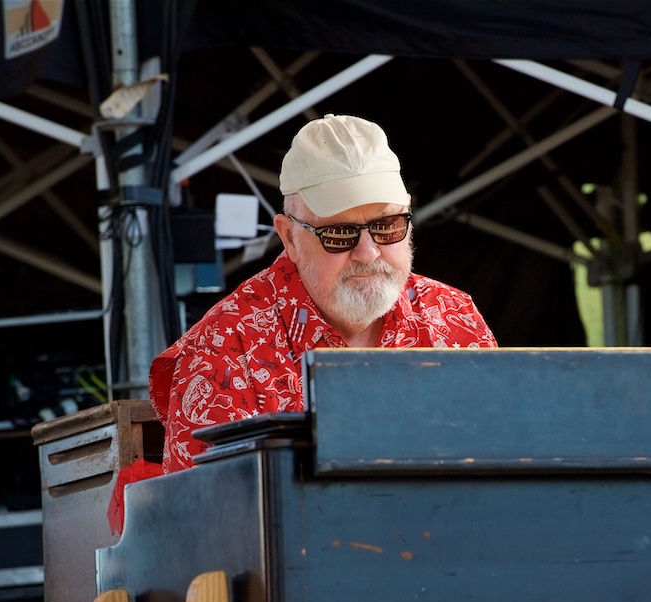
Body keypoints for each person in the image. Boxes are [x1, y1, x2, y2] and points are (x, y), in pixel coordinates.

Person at [149, 113, 497, 473]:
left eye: (387, 225)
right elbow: (210, 516)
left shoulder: (453, 317)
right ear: (289, 238)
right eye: (340, 234)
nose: (369, 252)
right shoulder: (223, 347)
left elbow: (506, 466)